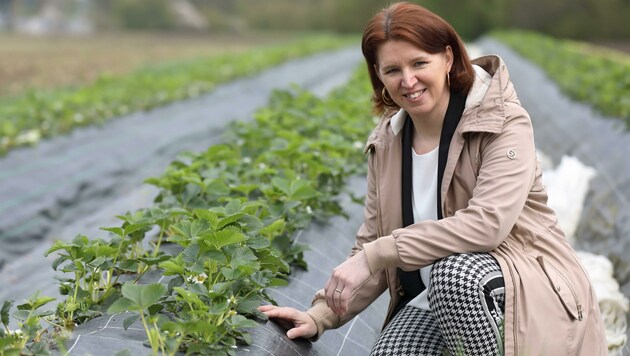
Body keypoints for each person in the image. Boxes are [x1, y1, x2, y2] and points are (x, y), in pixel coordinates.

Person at [259, 2, 607, 355]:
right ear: (378, 75)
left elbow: (488, 224)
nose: (407, 81)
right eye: (392, 69)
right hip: (434, 302)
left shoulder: (502, 122)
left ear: (448, 58)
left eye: (419, 63)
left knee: (453, 276)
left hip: (525, 297)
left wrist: (377, 253)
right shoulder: (388, 141)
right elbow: (372, 241)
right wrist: (320, 316)